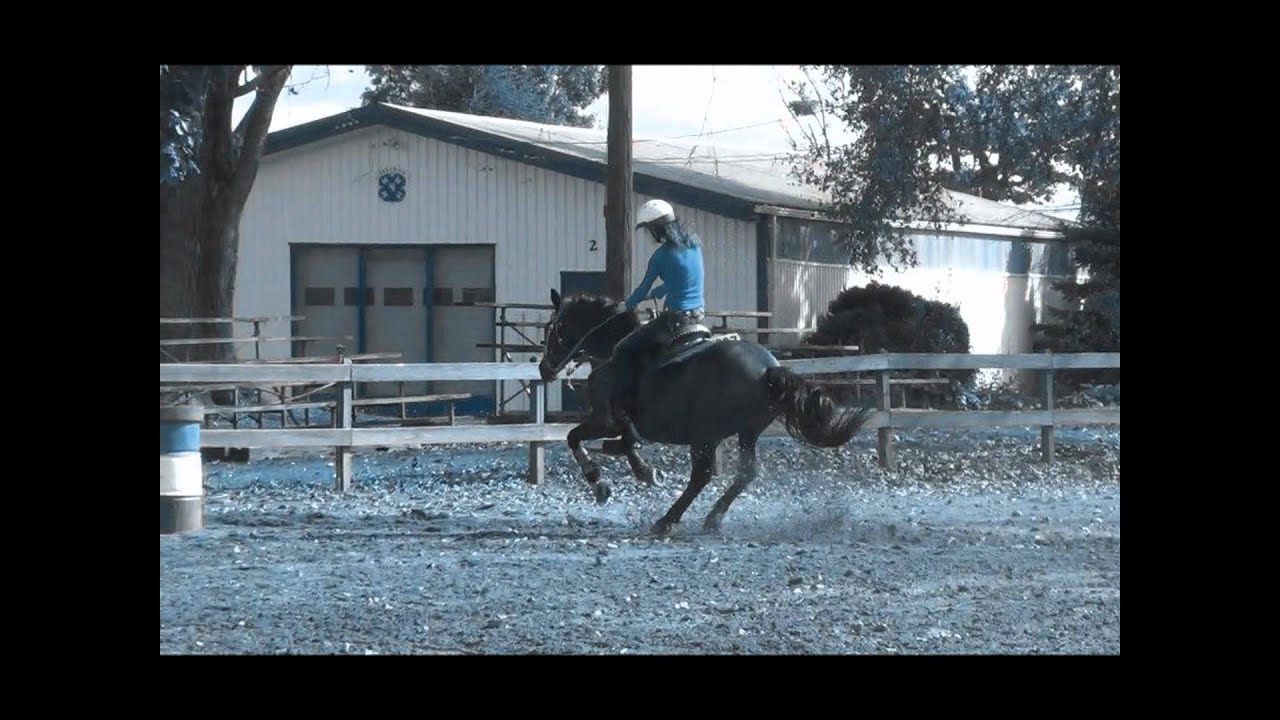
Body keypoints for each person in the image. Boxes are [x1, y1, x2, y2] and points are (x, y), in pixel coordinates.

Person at [608, 198, 706, 426]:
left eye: (649, 229)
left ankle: (624, 407)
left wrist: (628, 305)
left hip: (675, 321)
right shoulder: (694, 245)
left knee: (623, 348)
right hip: (699, 317)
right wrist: (659, 291)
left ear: (655, 228)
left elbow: (641, 289)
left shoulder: (661, 256)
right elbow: (684, 279)